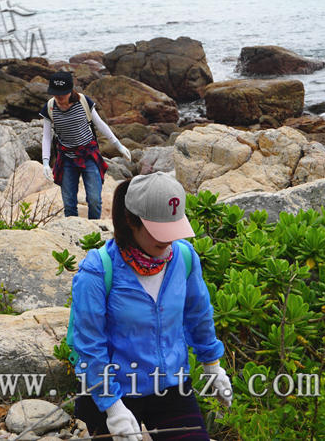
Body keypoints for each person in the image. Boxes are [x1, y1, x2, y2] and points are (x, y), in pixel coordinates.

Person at [69, 173, 231, 439]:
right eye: (159, 231)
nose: (168, 241)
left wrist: (212, 364)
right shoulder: (97, 271)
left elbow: (198, 314)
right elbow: (89, 345)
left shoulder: (185, 258)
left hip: (171, 386)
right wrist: (112, 407)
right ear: (131, 221)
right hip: (112, 388)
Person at [40, 71, 131, 219]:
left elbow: (100, 125)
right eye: (56, 95)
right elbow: (46, 137)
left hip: (88, 155)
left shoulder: (83, 102)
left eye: (62, 95)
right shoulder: (50, 107)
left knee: (94, 200)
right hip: (66, 158)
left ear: (70, 91)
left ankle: (93, 230)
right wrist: (45, 162)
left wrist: (118, 146)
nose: (59, 98)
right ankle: (74, 233)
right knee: (69, 203)